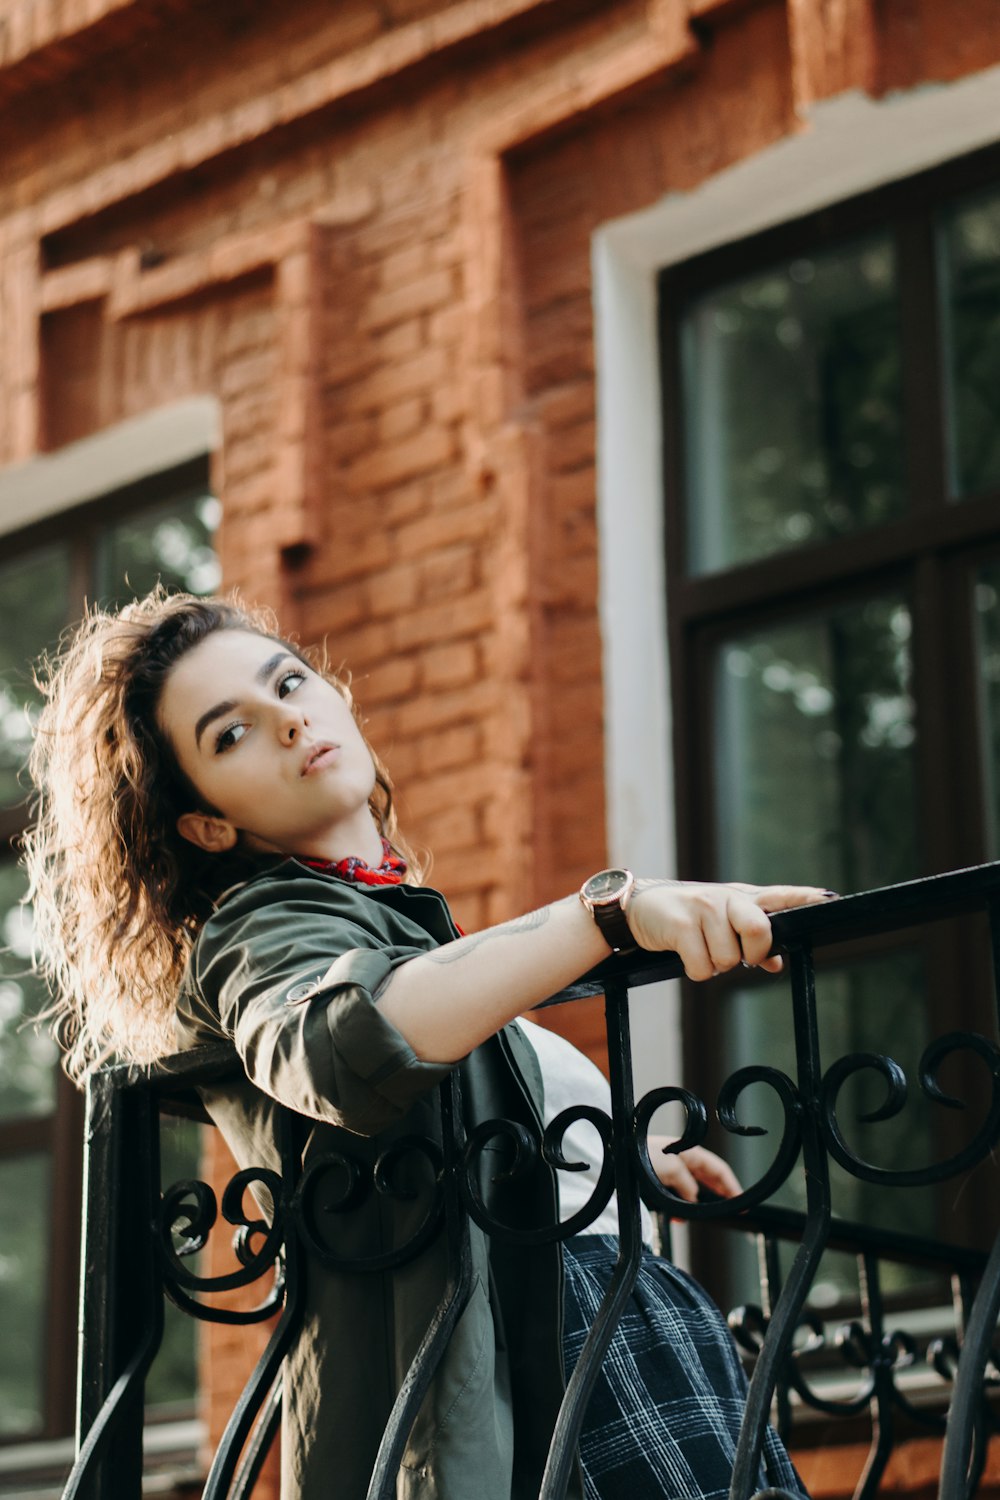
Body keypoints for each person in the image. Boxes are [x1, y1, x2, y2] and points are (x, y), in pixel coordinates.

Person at [23, 588, 828, 1500]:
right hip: (553, 1347)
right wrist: (609, 914)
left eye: (287, 682)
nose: (287, 720)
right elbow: (340, 1046)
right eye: (229, 734)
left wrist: (611, 1156)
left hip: (616, 1316)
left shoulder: (397, 931)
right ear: (208, 825)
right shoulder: (257, 925)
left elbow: (463, 1106)